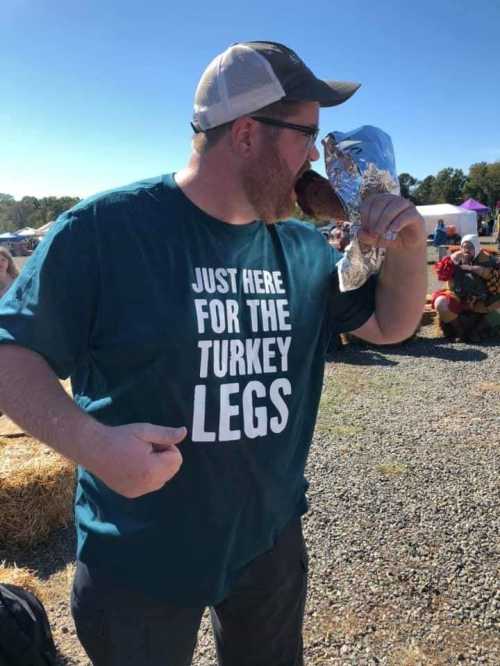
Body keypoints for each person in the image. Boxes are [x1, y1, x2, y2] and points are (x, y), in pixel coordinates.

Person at [0, 41, 426, 666]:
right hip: (137, 554)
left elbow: (392, 325)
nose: (316, 155)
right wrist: (95, 448)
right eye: (307, 134)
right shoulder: (105, 232)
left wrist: (409, 243)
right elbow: (11, 352)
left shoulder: (301, 248)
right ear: (247, 133)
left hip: (268, 542)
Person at [432, 234, 500, 342]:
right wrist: (452, 261)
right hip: (458, 296)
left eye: (470, 247)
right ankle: (460, 331)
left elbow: (496, 280)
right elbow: (441, 276)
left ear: (476, 248)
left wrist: (478, 270)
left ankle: (477, 330)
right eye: (464, 246)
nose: (466, 250)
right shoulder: (454, 259)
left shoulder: (488, 259)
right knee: (441, 303)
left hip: (482, 300)